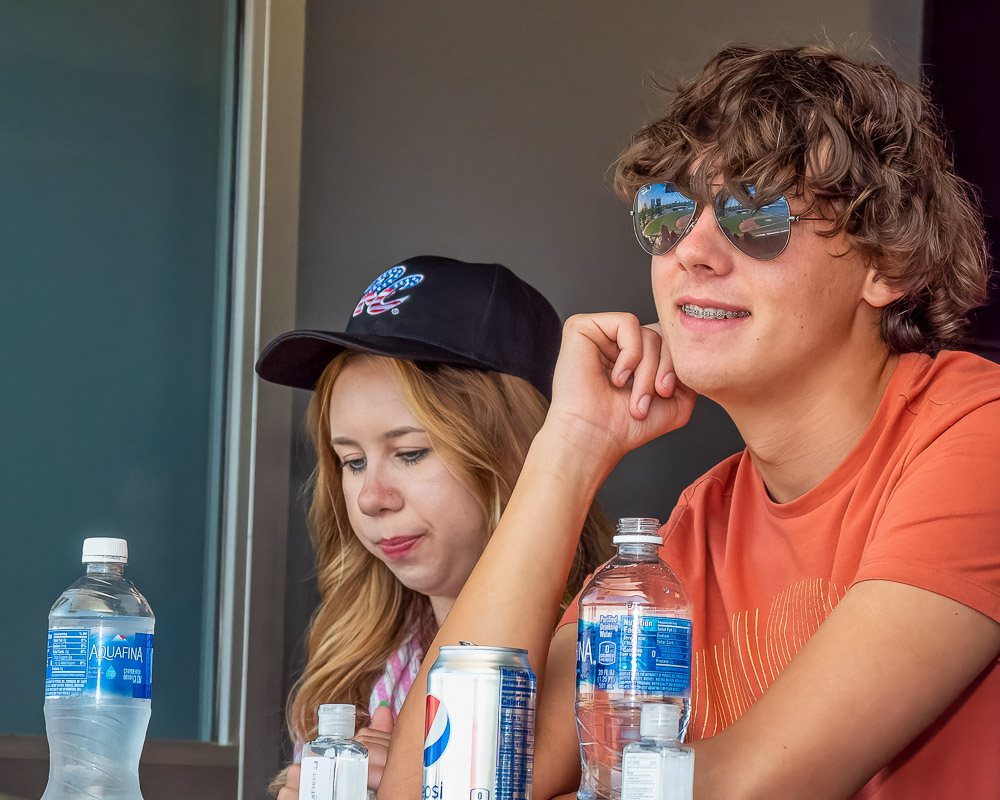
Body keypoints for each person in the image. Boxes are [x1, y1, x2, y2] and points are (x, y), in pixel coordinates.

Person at [380, 44, 1000, 799]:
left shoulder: (978, 437)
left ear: (888, 265)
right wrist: (569, 447)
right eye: (669, 214)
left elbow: (759, 785)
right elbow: (438, 781)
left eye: (757, 215)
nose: (693, 252)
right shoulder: (694, 530)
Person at [254, 255, 614, 797]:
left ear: (514, 450)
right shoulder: (363, 657)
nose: (371, 498)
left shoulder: (611, 651)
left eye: (410, 453)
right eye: (352, 462)